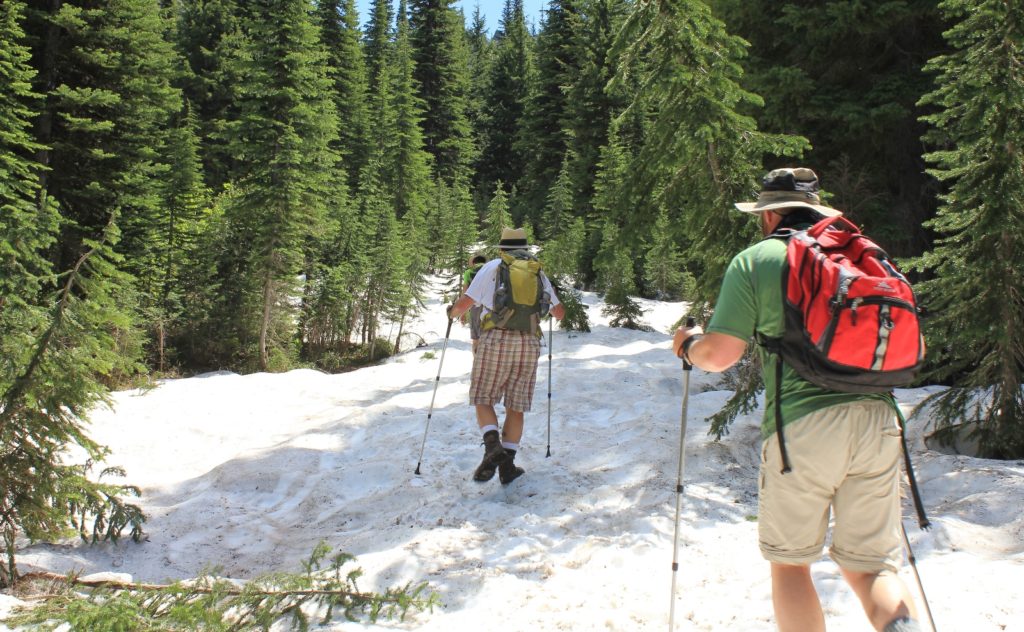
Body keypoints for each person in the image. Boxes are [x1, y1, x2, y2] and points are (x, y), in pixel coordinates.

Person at [671, 168, 922, 632]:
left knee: (791, 564)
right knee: (870, 567)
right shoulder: (859, 255)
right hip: (879, 418)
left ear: (768, 217)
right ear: (817, 211)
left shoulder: (757, 259)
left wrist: (687, 344)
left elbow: (720, 355)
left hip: (804, 429)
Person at [449, 228, 565, 485]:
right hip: (529, 343)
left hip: (497, 339)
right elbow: (559, 313)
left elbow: (465, 304)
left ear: (502, 249)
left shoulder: (491, 267)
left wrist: (451, 312)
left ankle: (492, 447)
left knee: (482, 397)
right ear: (526, 248)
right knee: (516, 406)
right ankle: (508, 467)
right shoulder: (538, 272)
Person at [462, 254, 488, 353]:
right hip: (490, 307)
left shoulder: (469, 272)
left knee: (476, 339)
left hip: (475, 308)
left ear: (473, 263)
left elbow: (465, 292)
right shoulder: (491, 271)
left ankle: (476, 364)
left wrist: (463, 313)